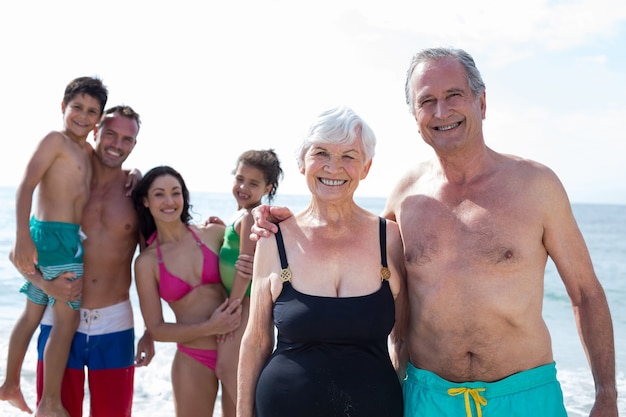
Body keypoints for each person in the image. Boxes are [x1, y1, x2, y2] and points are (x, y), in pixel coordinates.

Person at [250, 48, 618, 416]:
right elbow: (350, 238)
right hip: (429, 399)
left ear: (482, 101)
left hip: (524, 395)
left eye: (453, 95)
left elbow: (585, 294)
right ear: (415, 116)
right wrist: (288, 224)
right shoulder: (406, 196)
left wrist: (605, 397)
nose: (441, 112)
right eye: (427, 101)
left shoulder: (537, 186)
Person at [237, 106, 406, 417]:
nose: (333, 167)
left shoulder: (391, 239)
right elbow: (256, 341)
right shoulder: (274, 238)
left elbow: (404, 341)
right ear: (302, 163)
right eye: (321, 153)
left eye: (349, 156)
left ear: (366, 167)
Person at [4, 105, 155, 417]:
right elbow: (24, 252)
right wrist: (45, 284)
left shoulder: (137, 191)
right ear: (96, 131)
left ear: (134, 145)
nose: (117, 144)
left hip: (115, 323)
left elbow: (150, 264)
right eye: (110, 133)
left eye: (127, 139)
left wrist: (151, 329)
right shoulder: (64, 178)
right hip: (58, 318)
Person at [1, 77, 108, 417]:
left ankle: (10, 383)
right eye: (77, 107)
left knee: (33, 313)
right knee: (66, 320)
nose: (82, 115)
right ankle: (49, 403)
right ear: (63, 108)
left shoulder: (87, 151)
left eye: (92, 111)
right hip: (55, 239)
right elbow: (25, 186)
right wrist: (21, 235)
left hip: (58, 237)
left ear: (98, 120)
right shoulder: (55, 141)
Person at [132, 166, 242, 417]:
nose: (170, 201)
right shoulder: (147, 263)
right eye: (159, 194)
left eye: (176, 193)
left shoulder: (214, 234)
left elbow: (249, 274)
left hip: (236, 351)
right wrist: (211, 327)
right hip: (194, 357)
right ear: (146, 201)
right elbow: (157, 328)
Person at [216, 149, 282, 417]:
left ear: (267, 188)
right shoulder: (240, 215)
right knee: (231, 376)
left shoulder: (249, 217)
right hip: (240, 304)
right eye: (240, 179)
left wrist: (231, 307)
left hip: (243, 305)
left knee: (231, 373)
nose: (243, 187)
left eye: (253, 184)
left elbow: (245, 268)